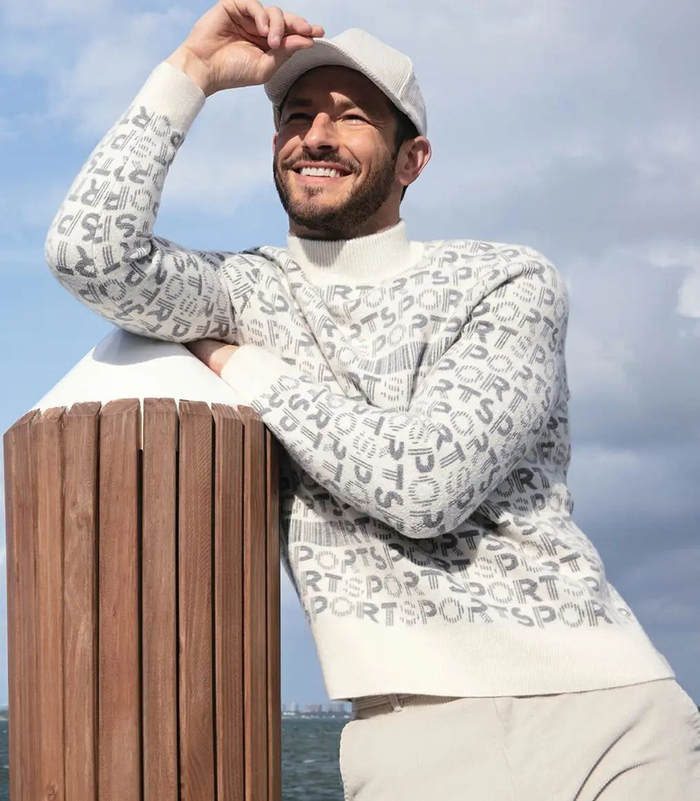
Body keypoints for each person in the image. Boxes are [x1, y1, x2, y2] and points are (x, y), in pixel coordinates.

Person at [44, 2, 700, 798]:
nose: (316, 135)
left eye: (351, 117)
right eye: (296, 116)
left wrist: (242, 364)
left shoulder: (505, 279)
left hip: (607, 716)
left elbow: (425, 484)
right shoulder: (244, 289)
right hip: (407, 736)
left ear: (412, 159)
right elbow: (87, 253)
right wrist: (193, 73)